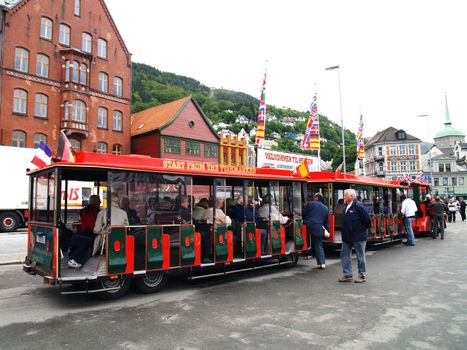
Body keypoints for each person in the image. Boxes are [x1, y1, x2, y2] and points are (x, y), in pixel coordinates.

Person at [339, 189, 371, 283]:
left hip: (358, 236)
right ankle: (347, 274)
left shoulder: (359, 206)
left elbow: (367, 221)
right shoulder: (346, 206)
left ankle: (362, 275)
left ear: (351, 196)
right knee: (344, 254)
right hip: (347, 236)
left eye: (345, 195)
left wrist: (361, 230)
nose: (343, 197)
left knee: (360, 256)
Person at [66, 194, 101, 269]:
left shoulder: (86, 209)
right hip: (89, 232)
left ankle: (72, 258)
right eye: (99, 200)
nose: (101, 202)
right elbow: (92, 225)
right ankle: (76, 260)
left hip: (85, 231)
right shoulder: (91, 210)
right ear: (95, 202)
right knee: (90, 241)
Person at [302, 193, 330, 269]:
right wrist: (327, 230)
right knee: (318, 245)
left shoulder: (310, 204)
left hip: (306, 225)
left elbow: (303, 213)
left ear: (316, 197)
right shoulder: (325, 208)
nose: (312, 198)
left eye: (313, 196)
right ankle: (322, 263)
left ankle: (306, 252)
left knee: (302, 238)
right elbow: (326, 222)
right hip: (318, 227)